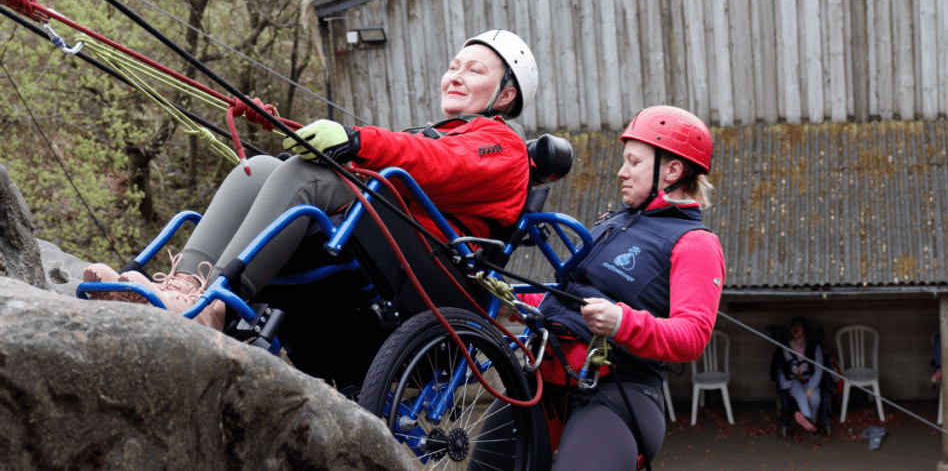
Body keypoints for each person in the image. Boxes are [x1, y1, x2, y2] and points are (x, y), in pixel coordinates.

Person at [83, 29, 539, 331]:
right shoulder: (444, 134)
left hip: (436, 273)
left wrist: (354, 140)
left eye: (474, 71)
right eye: (454, 66)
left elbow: (435, 163)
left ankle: (214, 308)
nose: (456, 77)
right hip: (391, 243)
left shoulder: (502, 146)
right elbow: (412, 156)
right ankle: (182, 287)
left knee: (305, 175)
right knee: (260, 168)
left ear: (507, 94)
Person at [514, 106, 725, 471]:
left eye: (633, 162)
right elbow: (565, 296)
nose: (621, 172)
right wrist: (511, 299)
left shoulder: (695, 244)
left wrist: (620, 323)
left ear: (672, 170)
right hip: (545, 376)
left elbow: (692, 336)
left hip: (617, 392)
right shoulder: (614, 222)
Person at [771, 316, 825, 433]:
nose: (794, 329)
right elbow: (781, 367)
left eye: (798, 326)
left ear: (804, 329)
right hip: (794, 381)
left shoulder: (814, 346)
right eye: (792, 326)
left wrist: (811, 387)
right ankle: (808, 420)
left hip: (810, 379)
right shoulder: (786, 347)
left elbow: (819, 369)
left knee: (815, 398)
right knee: (800, 393)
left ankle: (812, 421)